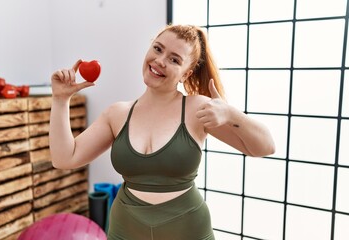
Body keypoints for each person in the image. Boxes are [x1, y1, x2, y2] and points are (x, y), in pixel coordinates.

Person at [49, 24, 275, 240]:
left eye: (174, 59)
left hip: (187, 229)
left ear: (186, 74)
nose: (160, 61)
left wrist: (231, 114)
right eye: (157, 49)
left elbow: (265, 147)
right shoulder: (117, 114)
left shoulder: (197, 108)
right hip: (126, 229)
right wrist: (60, 99)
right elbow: (64, 158)